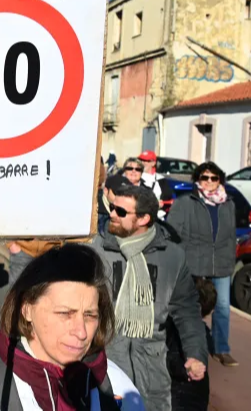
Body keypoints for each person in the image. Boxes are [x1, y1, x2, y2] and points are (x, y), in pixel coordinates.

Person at [0, 243, 143, 411]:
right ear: (27, 310)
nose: (81, 332)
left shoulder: (115, 386)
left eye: (90, 315)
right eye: (65, 313)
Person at [92, 185, 208, 410]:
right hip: (104, 364)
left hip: (153, 372)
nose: (113, 215)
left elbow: (187, 310)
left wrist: (196, 354)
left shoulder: (172, 256)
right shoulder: (96, 247)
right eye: (113, 208)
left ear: (144, 219)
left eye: (122, 212)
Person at [167, 161, 237, 367]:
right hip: (194, 264)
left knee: (223, 307)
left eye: (213, 178)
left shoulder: (228, 204)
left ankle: (221, 349)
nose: (208, 182)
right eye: (204, 177)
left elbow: (231, 234)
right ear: (198, 179)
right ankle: (183, 345)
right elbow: (172, 233)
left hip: (221, 264)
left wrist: (230, 255)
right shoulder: (185, 202)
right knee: (189, 307)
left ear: (220, 181)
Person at [167, 277, 215, 411]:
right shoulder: (204, 335)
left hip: (178, 398)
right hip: (196, 398)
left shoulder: (175, 330)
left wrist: (185, 370)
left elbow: (172, 361)